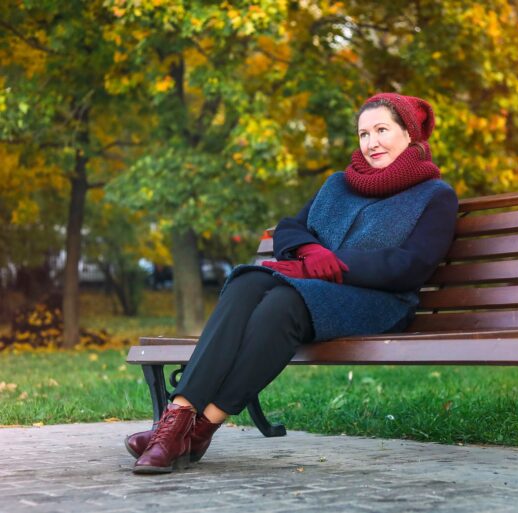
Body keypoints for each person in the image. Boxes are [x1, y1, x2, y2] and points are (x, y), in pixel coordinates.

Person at [125, 93, 459, 474]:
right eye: (364, 134)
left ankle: (204, 425)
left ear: (409, 135)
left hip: (380, 302)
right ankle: (180, 419)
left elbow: (410, 266)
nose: (372, 143)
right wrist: (310, 251)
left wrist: (331, 265)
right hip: (317, 291)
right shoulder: (339, 185)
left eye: (382, 130)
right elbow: (291, 227)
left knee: (284, 304)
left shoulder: (435, 196)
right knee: (247, 281)